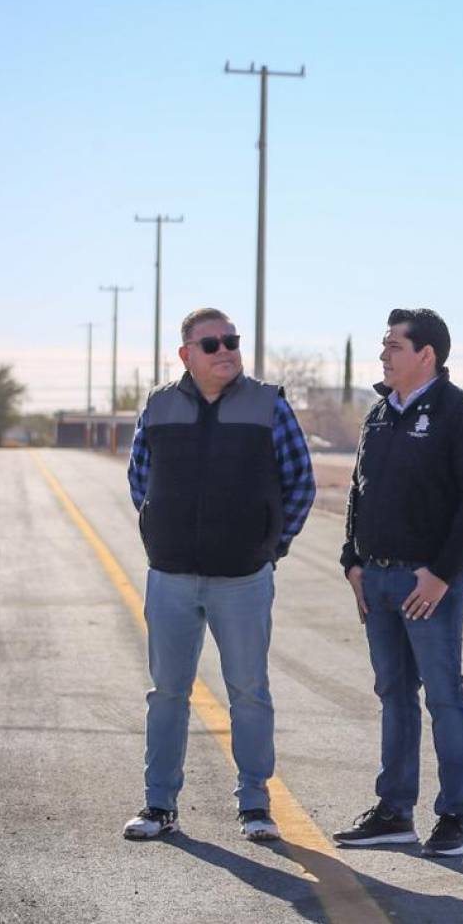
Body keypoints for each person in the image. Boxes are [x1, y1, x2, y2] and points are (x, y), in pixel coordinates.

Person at [121, 308, 316, 843]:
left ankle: (256, 805)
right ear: (186, 354)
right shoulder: (160, 405)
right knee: (167, 693)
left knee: (249, 692)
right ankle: (159, 805)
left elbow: (301, 481)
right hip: (172, 577)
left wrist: (269, 546)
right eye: (212, 344)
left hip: (244, 578)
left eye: (231, 340)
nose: (226, 350)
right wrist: (162, 531)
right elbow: (141, 479)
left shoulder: (268, 403)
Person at [331, 309, 463, 857]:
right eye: (383, 344)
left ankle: (455, 820)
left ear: (427, 354)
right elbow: (359, 491)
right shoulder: (378, 414)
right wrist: (352, 561)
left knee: (444, 698)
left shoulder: (460, 412)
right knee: (393, 695)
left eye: (394, 345)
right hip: (374, 581)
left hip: (427, 586)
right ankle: (393, 813)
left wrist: (443, 574)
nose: (384, 354)